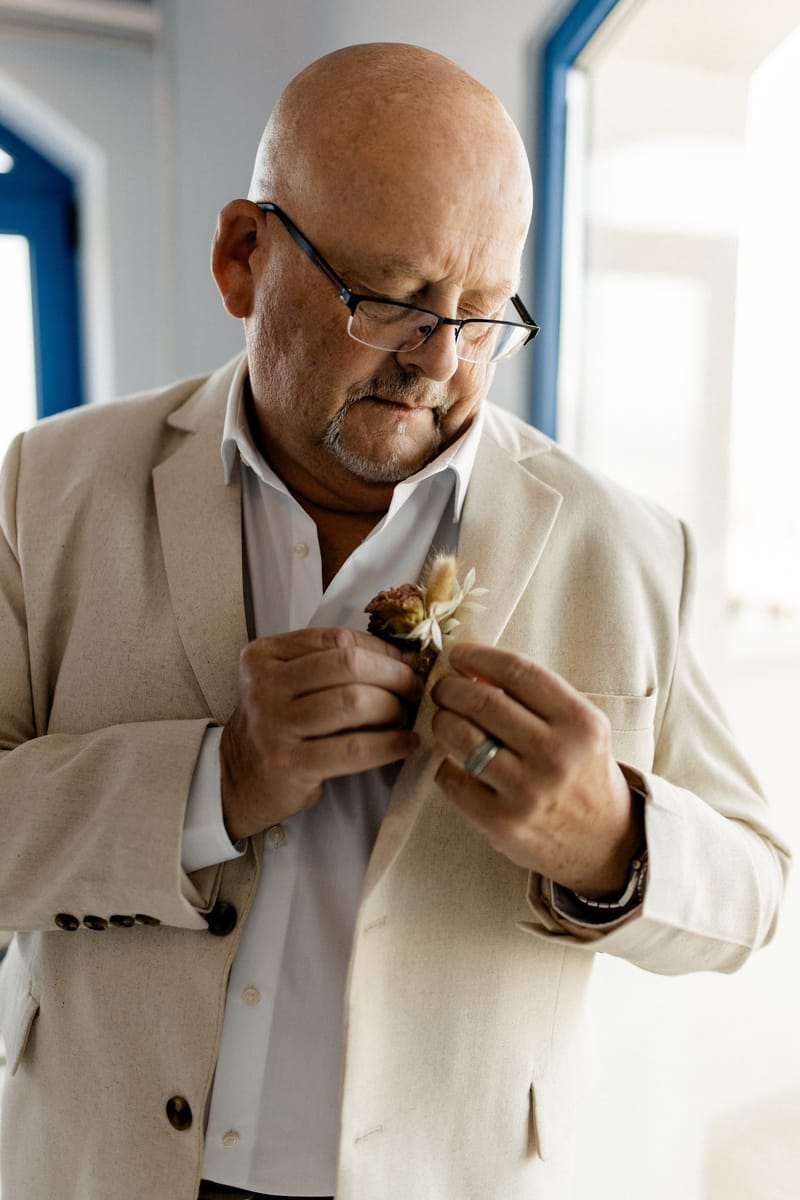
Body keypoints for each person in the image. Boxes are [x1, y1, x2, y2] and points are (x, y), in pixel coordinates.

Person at [0, 41, 788, 1200]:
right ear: (241, 256)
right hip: (95, 1165)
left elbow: (754, 894)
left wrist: (608, 839)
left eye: (480, 317)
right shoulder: (42, 488)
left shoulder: (623, 544)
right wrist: (205, 787)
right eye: (394, 303)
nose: (439, 365)